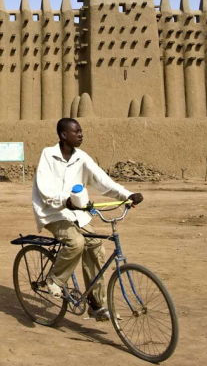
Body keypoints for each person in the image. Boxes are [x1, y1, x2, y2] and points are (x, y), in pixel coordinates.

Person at [32, 118, 143, 321]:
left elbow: (103, 181)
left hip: (78, 215)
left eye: (81, 131)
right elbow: (44, 189)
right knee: (76, 242)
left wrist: (126, 195)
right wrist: (64, 202)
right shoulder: (48, 154)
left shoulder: (82, 158)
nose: (81, 134)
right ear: (64, 135)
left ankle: (96, 304)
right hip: (53, 213)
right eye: (77, 131)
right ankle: (54, 280)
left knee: (96, 246)